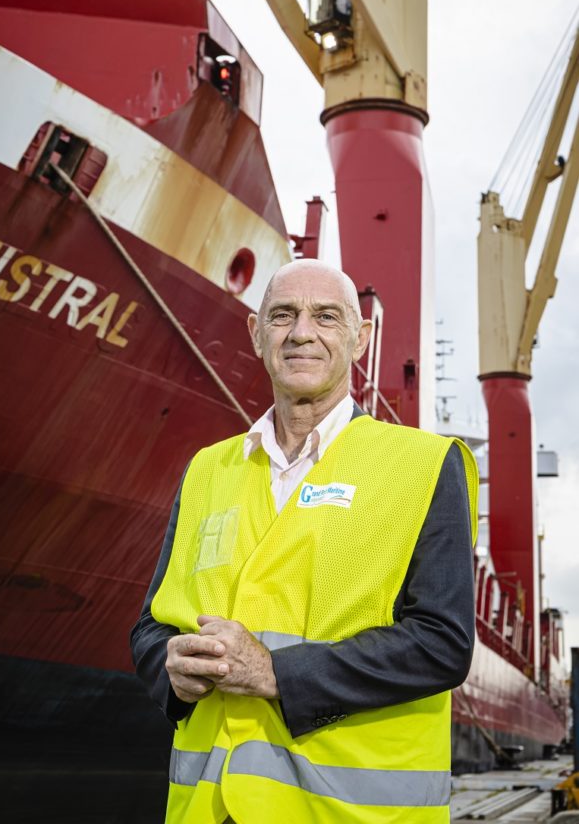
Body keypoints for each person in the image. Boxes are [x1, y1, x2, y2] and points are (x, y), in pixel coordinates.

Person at [131, 259, 478, 823]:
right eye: (283, 315)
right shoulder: (207, 469)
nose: (301, 333)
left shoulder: (425, 465)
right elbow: (151, 624)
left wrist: (276, 673)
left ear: (360, 339)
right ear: (256, 332)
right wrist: (166, 666)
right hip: (204, 810)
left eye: (326, 317)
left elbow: (443, 644)